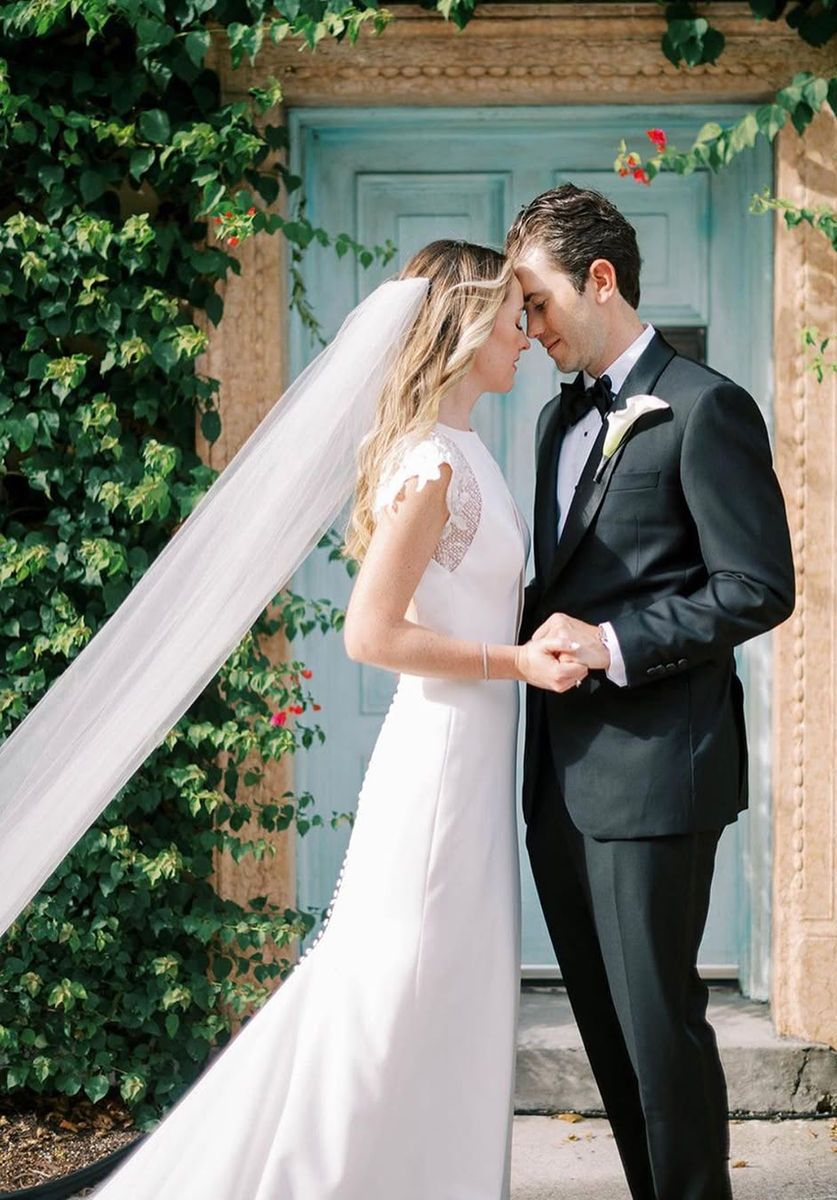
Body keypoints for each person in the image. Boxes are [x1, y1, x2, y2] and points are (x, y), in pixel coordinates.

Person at [0, 240, 586, 1198]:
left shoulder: (472, 449)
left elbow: (473, 600)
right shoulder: (433, 464)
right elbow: (370, 632)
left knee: (449, 997)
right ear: (468, 324)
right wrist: (512, 661)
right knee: (390, 991)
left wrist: (540, 634)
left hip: (475, 764)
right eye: (515, 315)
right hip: (438, 767)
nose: (529, 335)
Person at [507, 184, 796, 1200]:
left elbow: (757, 587)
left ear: (600, 279)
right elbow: (559, 588)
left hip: (659, 772)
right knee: (606, 1029)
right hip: (560, 781)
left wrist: (615, 642)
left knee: (660, 1029)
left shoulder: (708, 407)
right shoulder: (552, 422)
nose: (525, 327)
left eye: (537, 302)